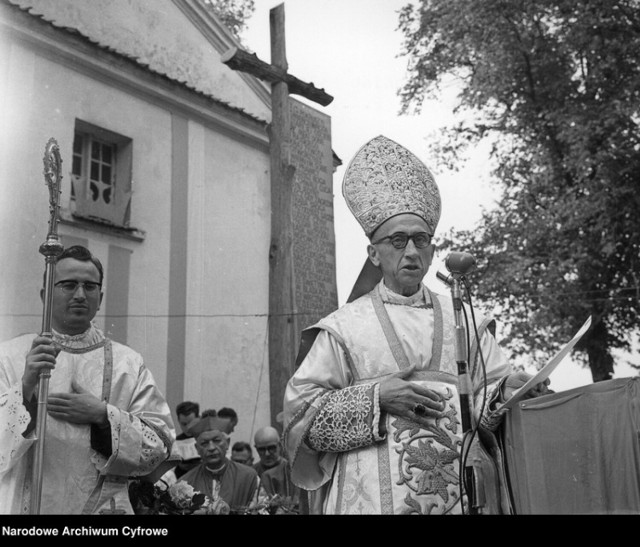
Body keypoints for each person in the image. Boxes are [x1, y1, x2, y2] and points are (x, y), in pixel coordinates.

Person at [282, 135, 551, 515]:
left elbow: (485, 400)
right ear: (373, 253)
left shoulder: (466, 321)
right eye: (397, 240)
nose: (411, 251)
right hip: (374, 499)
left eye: (421, 240)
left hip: (465, 491)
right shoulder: (343, 329)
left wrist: (509, 389)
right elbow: (299, 420)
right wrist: (374, 399)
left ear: (432, 250)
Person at [0, 245, 174, 514]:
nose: (80, 295)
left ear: (100, 297)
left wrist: (103, 417)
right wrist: (25, 388)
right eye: (68, 285)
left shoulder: (128, 363)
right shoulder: (9, 356)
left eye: (89, 287)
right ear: (45, 295)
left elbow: (159, 446)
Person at [180, 416, 258, 514]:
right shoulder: (185, 483)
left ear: (227, 443)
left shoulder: (249, 476)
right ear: (197, 448)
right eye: (204, 443)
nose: (211, 447)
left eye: (217, 441)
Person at [253, 426, 300, 511]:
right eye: (262, 449)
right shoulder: (252, 473)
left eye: (271, 448)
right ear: (256, 448)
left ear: (280, 445)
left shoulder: (291, 471)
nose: (267, 454)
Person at [172, 401, 201, 479]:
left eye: (191, 423)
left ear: (198, 418)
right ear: (178, 421)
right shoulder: (176, 442)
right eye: (184, 424)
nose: (188, 427)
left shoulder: (207, 439)